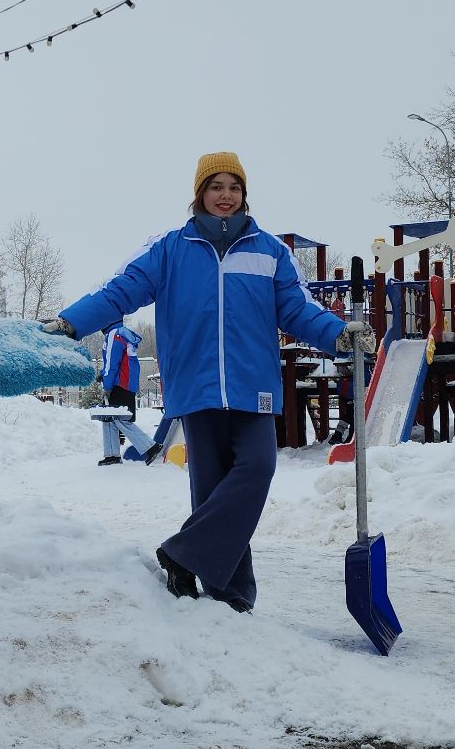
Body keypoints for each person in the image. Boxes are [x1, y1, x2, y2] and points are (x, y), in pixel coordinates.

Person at [48, 152, 372, 611]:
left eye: (234, 187)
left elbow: (297, 311)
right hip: (196, 386)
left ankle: (184, 554)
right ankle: (230, 595)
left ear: (244, 195)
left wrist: (341, 334)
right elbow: (120, 291)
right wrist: (70, 322)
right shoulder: (171, 249)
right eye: (216, 187)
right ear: (199, 194)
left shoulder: (269, 252)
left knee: (258, 468)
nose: (225, 196)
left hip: (252, 383)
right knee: (211, 490)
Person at [96, 323, 157, 465]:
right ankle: (112, 455)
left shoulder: (114, 334)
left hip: (120, 383)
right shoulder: (122, 334)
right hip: (127, 382)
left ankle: (150, 446)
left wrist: (107, 384)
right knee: (109, 417)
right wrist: (102, 375)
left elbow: (112, 364)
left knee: (119, 418)